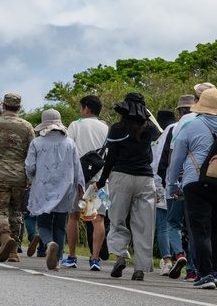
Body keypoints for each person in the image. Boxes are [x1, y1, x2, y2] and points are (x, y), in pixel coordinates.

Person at [165, 88, 217, 289]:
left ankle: (206, 274)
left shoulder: (191, 125)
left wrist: (172, 185)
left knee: (200, 229)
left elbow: (177, 160)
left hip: (195, 183)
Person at [96, 92, 160, 281]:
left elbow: (110, 159)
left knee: (117, 220)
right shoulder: (150, 129)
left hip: (121, 178)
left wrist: (101, 181)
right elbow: (158, 132)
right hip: (145, 180)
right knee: (144, 225)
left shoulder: (116, 129)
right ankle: (140, 269)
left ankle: (121, 256)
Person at [26, 109, 86, 271]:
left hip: (43, 190)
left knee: (44, 224)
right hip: (65, 191)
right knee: (60, 225)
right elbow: (77, 170)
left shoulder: (37, 143)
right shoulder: (70, 143)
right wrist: (81, 191)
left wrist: (33, 177)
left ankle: (48, 244)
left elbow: (30, 168)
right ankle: (58, 260)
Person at [0, 93, 36, 262]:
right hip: (20, 176)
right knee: (15, 212)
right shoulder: (27, 126)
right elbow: (31, 150)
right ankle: (13, 252)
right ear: (19, 108)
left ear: (3, 106)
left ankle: (5, 238)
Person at [63, 95, 110, 271]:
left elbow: (68, 150)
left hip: (78, 179)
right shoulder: (107, 128)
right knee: (98, 219)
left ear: (86, 109)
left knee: (73, 217)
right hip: (100, 180)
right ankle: (95, 259)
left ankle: (72, 257)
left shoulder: (75, 125)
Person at [152, 98, 193, 278]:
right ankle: (193, 270)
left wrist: (164, 184)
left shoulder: (172, 129)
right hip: (197, 183)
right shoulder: (209, 124)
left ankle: (175, 256)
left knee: (170, 223)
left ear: (179, 112)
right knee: (195, 227)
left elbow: (163, 160)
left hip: (175, 184)